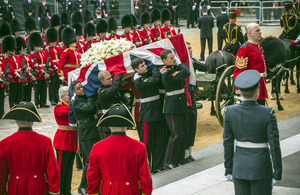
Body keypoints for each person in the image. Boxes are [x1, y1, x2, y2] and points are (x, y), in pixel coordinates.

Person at [223, 70, 282, 195]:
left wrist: (228, 169)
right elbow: (274, 145)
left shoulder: (229, 111)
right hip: (261, 168)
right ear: (257, 91)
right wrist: (277, 172)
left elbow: (227, 143)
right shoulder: (268, 113)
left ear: (241, 92)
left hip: (239, 168)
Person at [87, 103, 153, 195]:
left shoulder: (97, 147)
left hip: (107, 192)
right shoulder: (139, 147)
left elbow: (92, 175)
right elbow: (145, 175)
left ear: (109, 126)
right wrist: (146, 192)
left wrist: (93, 192)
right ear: (126, 126)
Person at [0, 101, 59, 194]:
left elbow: (1, 172)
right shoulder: (45, 141)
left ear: (16, 121)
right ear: (32, 122)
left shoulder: (5, 143)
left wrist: (2, 190)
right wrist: (53, 191)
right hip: (38, 187)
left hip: (15, 187)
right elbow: (52, 170)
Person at [131, 58, 165, 173]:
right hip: (147, 114)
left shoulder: (146, 74)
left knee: (159, 140)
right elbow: (154, 80)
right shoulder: (139, 81)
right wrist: (156, 67)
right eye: (142, 66)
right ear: (136, 70)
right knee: (147, 143)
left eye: (145, 64)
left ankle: (158, 165)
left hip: (157, 112)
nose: (145, 66)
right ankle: (144, 168)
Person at [159, 49, 190, 168]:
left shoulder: (173, 69)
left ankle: (178, 159)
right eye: (171, 59)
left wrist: (177, 63)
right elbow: (186, 72)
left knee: (181, 133)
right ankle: (169, 161)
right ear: (164, 61)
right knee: (175, 134)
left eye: (174, 57)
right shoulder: (167, 73)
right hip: (172, 107)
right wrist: (178, 62)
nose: (174, 60)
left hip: (180, 104)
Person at [71, 80, 100, 195]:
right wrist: (92, 96)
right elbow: (88, 108)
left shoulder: (84, 97)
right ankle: (83, 186)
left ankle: (95, 184)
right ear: (74, 91)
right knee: (90, 161)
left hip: (94, 129)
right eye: (78, 88)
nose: (81, 89)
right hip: (86, 133)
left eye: (82, 87)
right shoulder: (76, 102)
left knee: (96, 160)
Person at [234, 23, 268, 106]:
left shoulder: (258, 45)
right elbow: (239, 71)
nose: (260, 32)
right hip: (251, 89)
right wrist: (241, 92)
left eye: (260, 30)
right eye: (257, 31)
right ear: (249, 34)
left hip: (260, 85)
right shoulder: (245, 49)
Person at [54, 86, 78, 195]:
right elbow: (65, 112)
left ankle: (67, 191)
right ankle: (59, 191)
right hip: (63, 140)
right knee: (61, 170)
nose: (71, 96)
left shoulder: (71, 105)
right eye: (69, 95)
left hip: (72, 139)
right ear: (62, 96)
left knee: (68, 170)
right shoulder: (59, 107)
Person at [97, 70, 123, 139]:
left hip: (117, 120)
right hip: (107, 123)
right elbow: (115, 88)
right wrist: (119, 73)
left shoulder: (109, 87)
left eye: (111, 77)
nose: (111, 80)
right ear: (102, 81)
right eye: (108, 79)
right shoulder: (102, 91)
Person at [2, 36, 24, 108]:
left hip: (19, 79)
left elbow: (20, 66)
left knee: (19, 95)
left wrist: (21, 71)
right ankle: (12, 108)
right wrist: (17, 75)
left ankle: (19, 107)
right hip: (13, 80)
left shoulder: (17, 57)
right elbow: (11, 69)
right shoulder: (6, 59)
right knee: (12, 95)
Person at [46, 28, 61, 105]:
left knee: (57, 85)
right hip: (52, 69)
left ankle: (56, 97)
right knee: (52, 85)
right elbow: (50, 59)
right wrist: (54, 67)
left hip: (57, 69)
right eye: (53, 41)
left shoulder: (57, 48)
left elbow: (59, 57)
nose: (55, 42)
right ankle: (52, 99)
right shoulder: (47, 50)